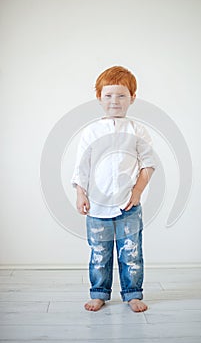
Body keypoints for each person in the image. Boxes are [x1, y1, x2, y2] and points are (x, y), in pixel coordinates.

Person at [71, 66, 156, 312]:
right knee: (100, 253)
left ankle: (132, 293)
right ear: (99, 98)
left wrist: (137, 192)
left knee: (131, 253)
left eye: (121, 95)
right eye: (108, 96)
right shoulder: (91, 131)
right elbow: (82, 167)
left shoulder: (137, 130)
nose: (115, 101)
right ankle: (99, 292)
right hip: (97, 205)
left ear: (132, 98)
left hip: (128, 206)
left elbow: (148, 164)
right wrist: (80, 193)